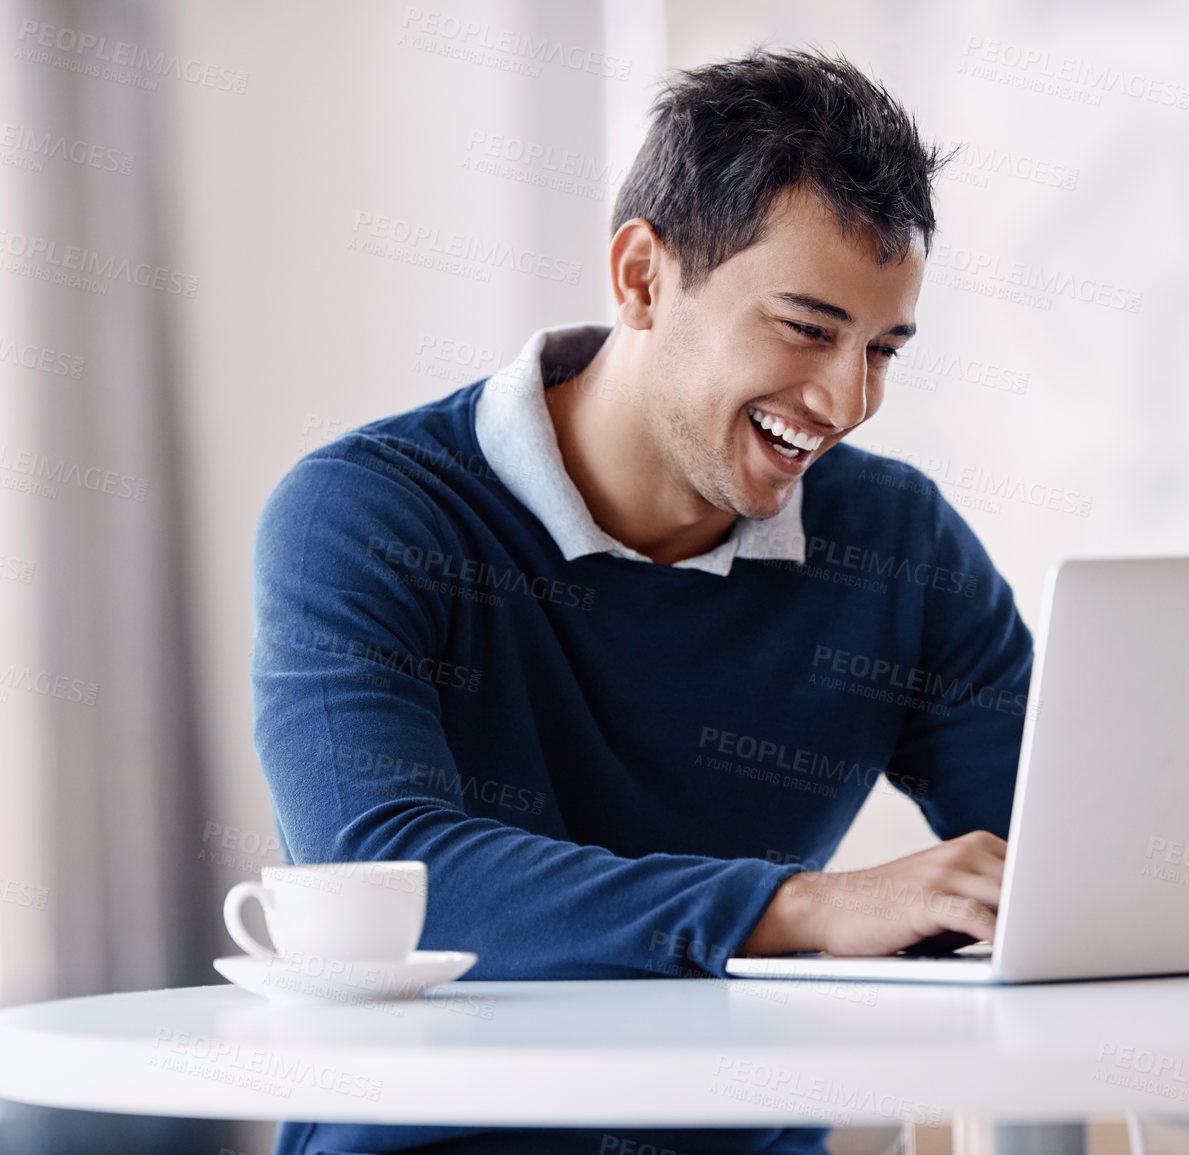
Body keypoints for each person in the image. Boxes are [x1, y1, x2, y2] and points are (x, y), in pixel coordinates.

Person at [251, 47, 1032, 1155]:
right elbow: (388, 879)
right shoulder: (370, 515)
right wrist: (805, 908)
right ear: (641, 278)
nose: (847, 400)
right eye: (808, 329)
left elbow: (1058, 854)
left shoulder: (897, 541)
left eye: (883, 349)